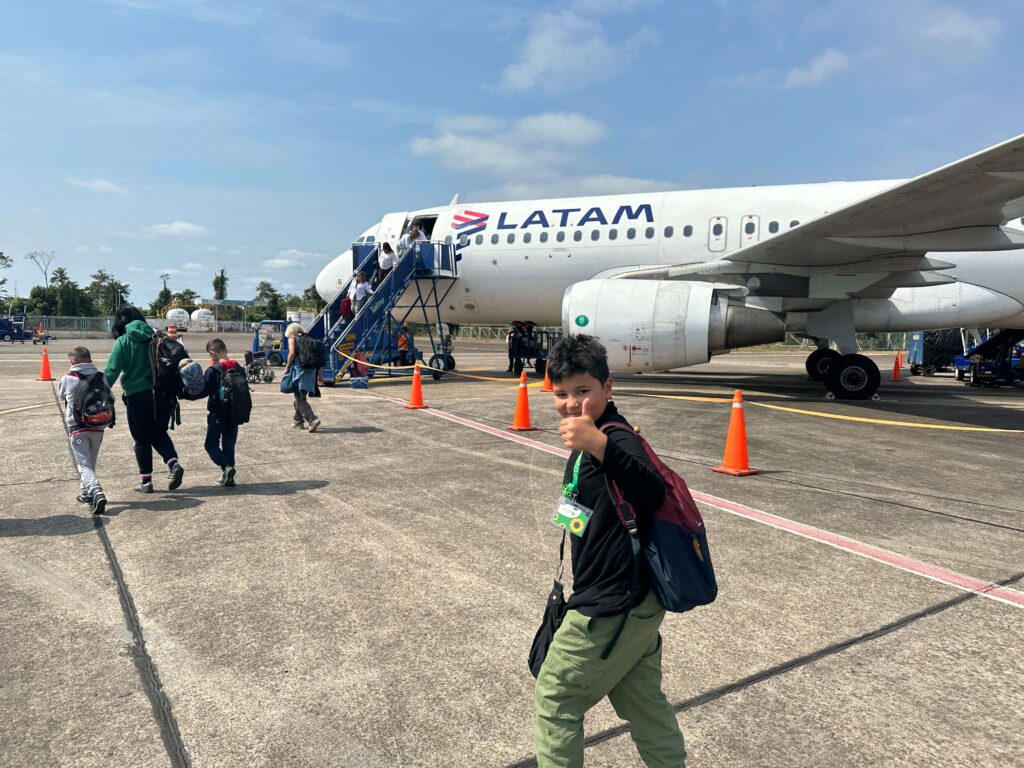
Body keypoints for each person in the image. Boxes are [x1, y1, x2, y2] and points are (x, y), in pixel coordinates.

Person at [534, 334, 686, 767]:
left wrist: (597, 445)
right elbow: (584, 515)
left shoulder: (615, 439)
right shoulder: (588, 441)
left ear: (608, 388)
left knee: (556, 697)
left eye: (583, 391)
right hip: (634, 602)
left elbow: (650, 489)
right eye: (560, 394)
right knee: (642, 702)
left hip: (613, 603)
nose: (570, 403)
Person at [105, 305, 184, 493]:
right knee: (159, 433)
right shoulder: (157, 337)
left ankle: (147, 482)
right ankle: (173, 464)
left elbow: (111, 371)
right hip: (163, 393)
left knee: (141, 438)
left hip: (137, 395)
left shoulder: (124, 341)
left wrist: (98, 391)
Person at [57, 346, 109, 515]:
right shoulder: (102, 377)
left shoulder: (68, 378)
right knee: (90, 462)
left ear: (73, 362)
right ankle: (86, 493)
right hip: (98, 425)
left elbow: (61, 395)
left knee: (83, 464)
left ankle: (96, 491)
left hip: (78, 426)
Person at [186, 338, 242, 487]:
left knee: (210, 444)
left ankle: (226, 467)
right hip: (235, 414)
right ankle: (229, 477)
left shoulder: (213, 371)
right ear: (225, 350)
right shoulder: (238, 367)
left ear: (212, 353)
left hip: (218, 413)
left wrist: (185, 394)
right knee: (229, 444)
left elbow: (203, 391)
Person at [284, 322, 321, 432]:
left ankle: (312, 419)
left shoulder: (292, 338)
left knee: (299, 398)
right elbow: (317, 358)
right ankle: (298, 421)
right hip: (311, 371)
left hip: (300, 372)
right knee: (300, 397)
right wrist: (320, 375)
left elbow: (291, 353)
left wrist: (287, 367)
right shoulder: (308, 338)